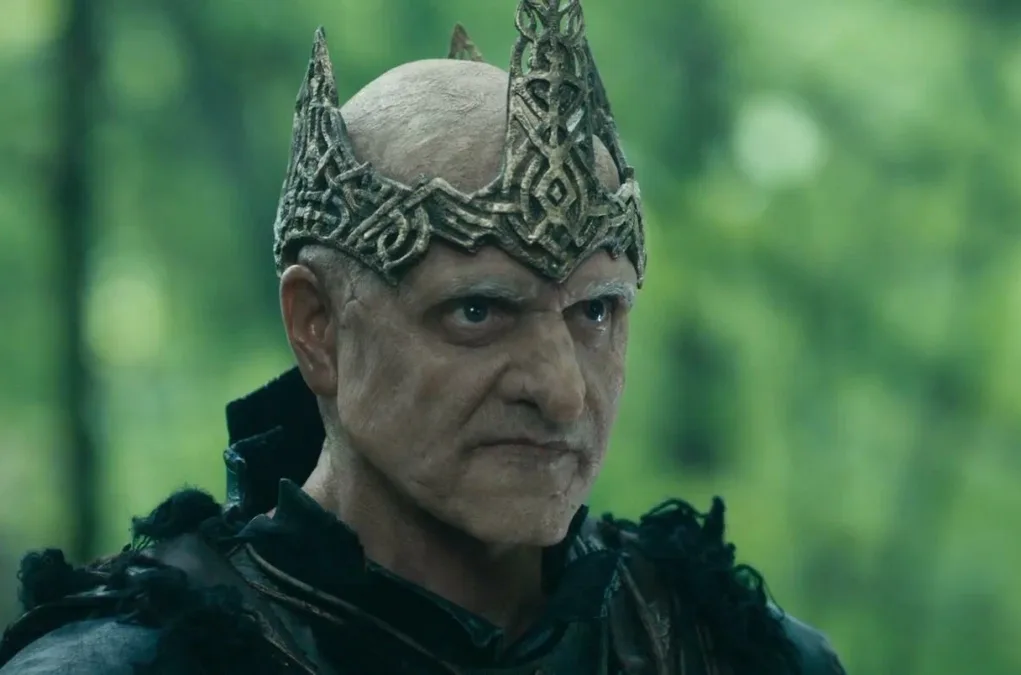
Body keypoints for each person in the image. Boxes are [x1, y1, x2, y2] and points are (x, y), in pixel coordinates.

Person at [0, 1, 847, 673]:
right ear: (318, 327)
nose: (562, 390)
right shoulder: (140, 662)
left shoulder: (727, 651)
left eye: (596, 313)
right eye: (478, 312)